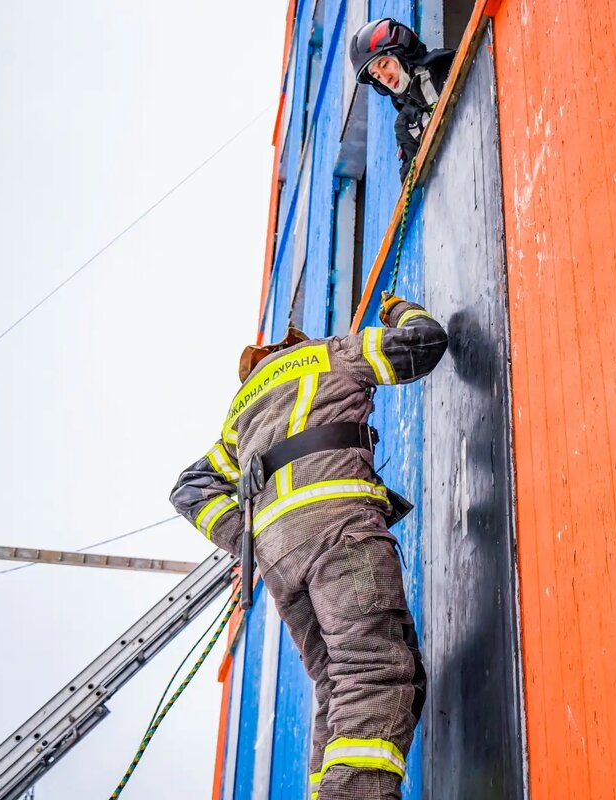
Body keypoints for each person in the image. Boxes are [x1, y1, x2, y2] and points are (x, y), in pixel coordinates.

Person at [169, 292, 448, 800]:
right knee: (373, 674)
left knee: (336, 684)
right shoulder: (331, 353)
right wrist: (398, 310)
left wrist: (252, 540)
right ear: (297, 345)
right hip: (338, 527)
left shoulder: (242, 413)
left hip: (279, 561)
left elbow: (191, 489)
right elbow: (424, 343)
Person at [349, 18, 455, 181]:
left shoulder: (446, 66)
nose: (385, 78)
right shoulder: (405, 126)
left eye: (384, 65)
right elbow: (410, 183)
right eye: (376, 76)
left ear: (403, 53)